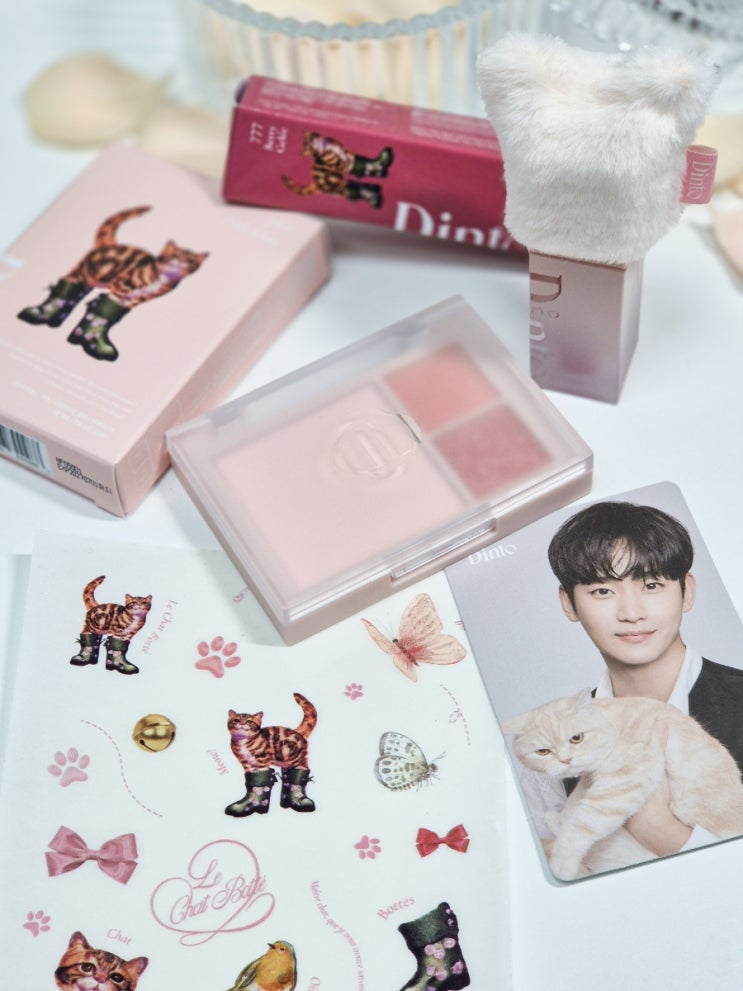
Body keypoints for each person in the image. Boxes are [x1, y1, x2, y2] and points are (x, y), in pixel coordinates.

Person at [533, 500, 743, 859]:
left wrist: (663, 832)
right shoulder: (553, 744)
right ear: (568, 603)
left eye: (651, 584)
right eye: (602, 591)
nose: (631, 613)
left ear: (687, 591)